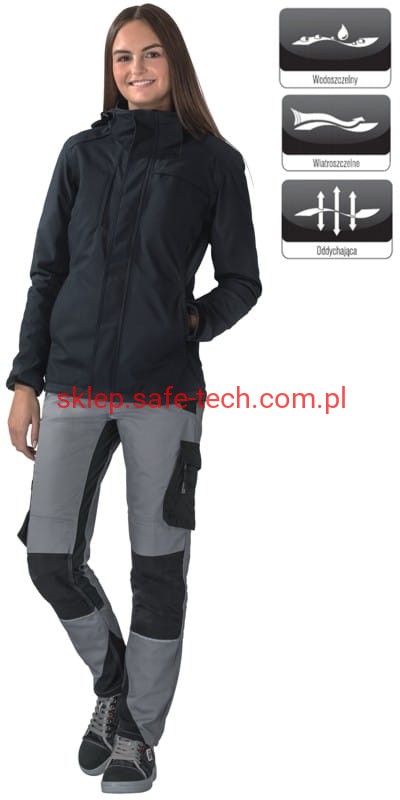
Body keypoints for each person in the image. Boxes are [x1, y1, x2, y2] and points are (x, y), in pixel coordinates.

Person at [6, 3, 262, 794]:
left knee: (157, 568)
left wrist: (191, 322)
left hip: (163, 391)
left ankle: (139, 736)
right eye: (123, 57)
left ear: (174, 62)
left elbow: (243, 281)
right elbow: (48, 272)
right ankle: (115, 688)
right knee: (50, 559)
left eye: (151, 54)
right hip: (73, 383)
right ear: (110, 70)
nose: (136, 68)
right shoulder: (81, 154)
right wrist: (25, 381)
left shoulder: (214, 162)